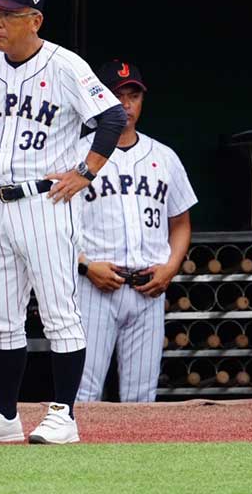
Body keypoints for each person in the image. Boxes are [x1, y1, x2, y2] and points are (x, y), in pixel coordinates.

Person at [0, 0, 127, 444]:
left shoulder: (65, 65)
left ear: (35, 19)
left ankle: (64, 415)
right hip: (3, 206)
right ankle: (5, 415)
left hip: (47, 202)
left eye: (9, 14)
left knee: (58, 312)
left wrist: (87, 171)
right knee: (3, 315)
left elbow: (112, 116)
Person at [75, 61, 196, 403]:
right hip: (93, 286)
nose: (126, 104)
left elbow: (181, 222)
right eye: (117, 95)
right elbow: (52, 227)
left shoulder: (164, 156)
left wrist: (170, 269)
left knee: (142, 397)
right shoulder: (74, 152)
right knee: (83, 393)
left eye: (133, 95)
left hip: (148, 290)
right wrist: (85, 265)